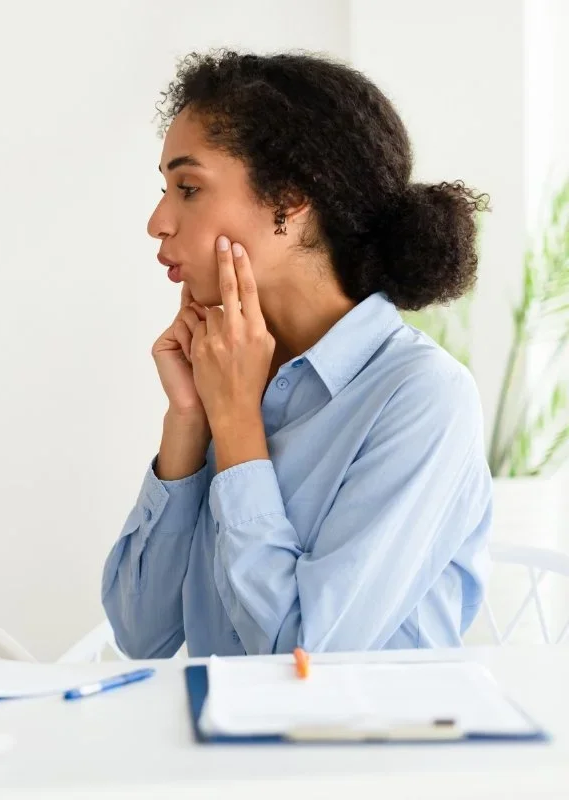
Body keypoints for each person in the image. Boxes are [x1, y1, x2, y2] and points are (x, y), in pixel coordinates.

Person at [101, 50, 493, 658]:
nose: (158, 222)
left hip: (368, 724)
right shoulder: (228, 370)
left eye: (189, 188)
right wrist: (190, 419)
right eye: (165, 190)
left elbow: (306, 657)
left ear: (288, 198)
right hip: (218, 724)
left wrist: (236, 425)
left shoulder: (423, 395)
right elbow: (139, 633)